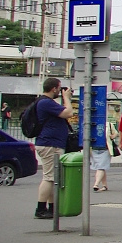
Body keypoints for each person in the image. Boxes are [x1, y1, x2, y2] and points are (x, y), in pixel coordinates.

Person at [33, 78, 74, 220]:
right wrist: (66, 98)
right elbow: (68, 113)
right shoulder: (45, 102)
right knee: (49, 177)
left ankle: (52, 208)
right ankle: (40, 208)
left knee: (53, 178)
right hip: (49, 144)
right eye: (59, 88)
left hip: (51, 143)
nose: (60, 90)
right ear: (54, 89)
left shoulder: (46, 102)